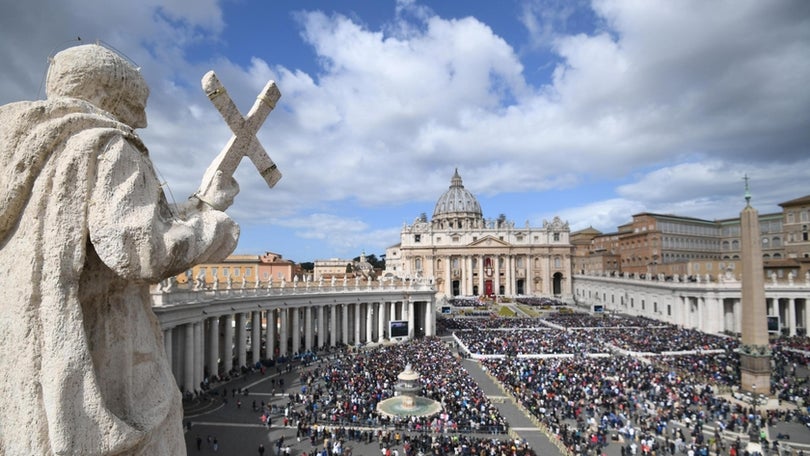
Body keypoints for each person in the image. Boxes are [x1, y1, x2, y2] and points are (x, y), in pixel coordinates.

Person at [0, 43, 239, 454]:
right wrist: (213, 224)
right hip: (104, 349)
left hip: (25, 350)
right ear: (108, 95)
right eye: (135, 105)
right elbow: (142, 248)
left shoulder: (20, 153)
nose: (142, 121)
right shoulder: (106, 145)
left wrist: (200, 202)